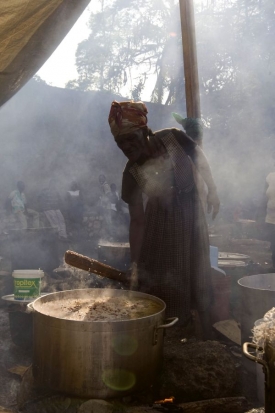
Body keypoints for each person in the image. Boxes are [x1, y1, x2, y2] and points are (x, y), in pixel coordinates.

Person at [108, 100, 220, 338]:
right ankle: (173, 337)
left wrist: (213, 189)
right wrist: (135, 264)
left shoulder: (173, 138)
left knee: (199, 275)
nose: (126, 147)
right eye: (120, 143)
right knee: (169, 283)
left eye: (130, 139)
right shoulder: (132, 172)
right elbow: (137, 221)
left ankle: (207, 337)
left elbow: (198, 156)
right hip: (160, 230)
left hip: (192, 219)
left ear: (144, 131)